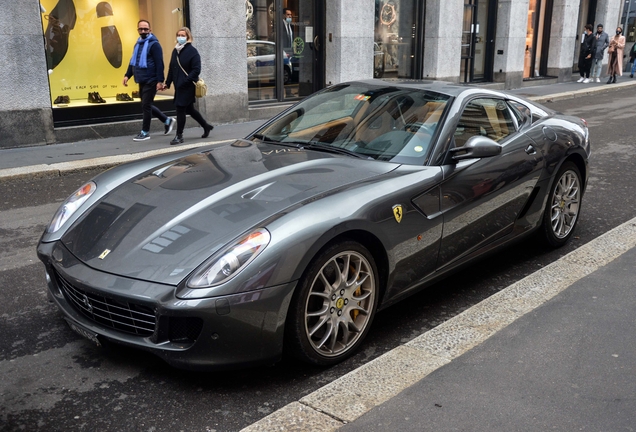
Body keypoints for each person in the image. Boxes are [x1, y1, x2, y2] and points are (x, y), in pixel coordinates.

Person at [123, 19, 175, 141]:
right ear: (137, 30)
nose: (143, 31)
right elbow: (133, 62)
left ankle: (145, 132)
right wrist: (127, 75)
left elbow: (159, 64)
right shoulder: (138, 44)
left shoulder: (154, 44)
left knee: (146, 105)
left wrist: (159, 81)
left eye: (145, 29)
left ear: (150, 30)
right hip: (141, 78)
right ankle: (167, 120)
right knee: (146, 104)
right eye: (141, 29)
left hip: (151, 79)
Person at [164, 27, 213, 145]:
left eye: (183, 35)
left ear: (188, 37)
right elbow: (172, 68)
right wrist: (167, 83)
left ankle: (179, 135)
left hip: (187, 86)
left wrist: (185, 81)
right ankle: (206, 126)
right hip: (178, 85)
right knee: (189, 109)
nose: (180, 37)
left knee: (180, 108)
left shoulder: (192, 51)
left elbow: (196, 70)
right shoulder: (175, 51)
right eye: (179, 35)